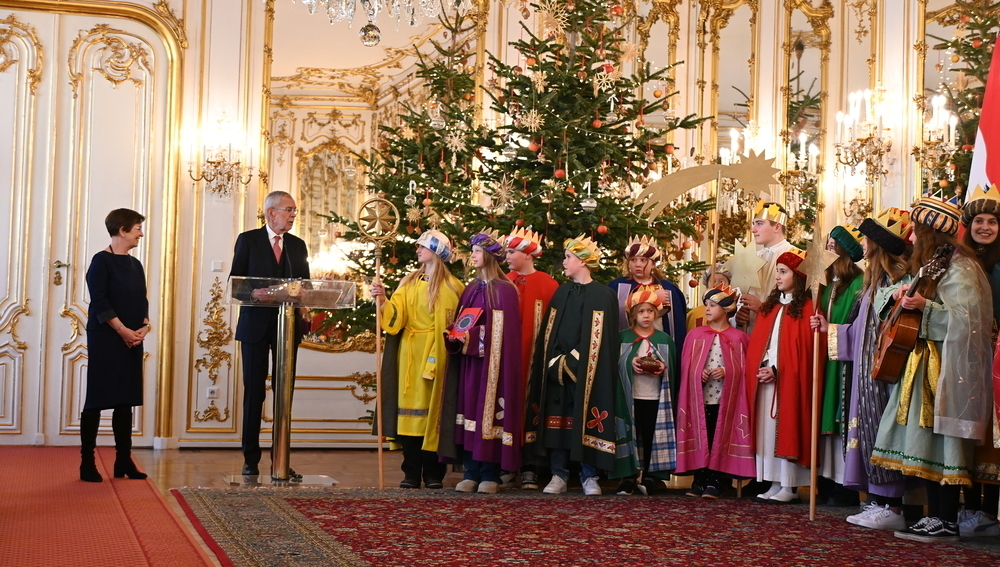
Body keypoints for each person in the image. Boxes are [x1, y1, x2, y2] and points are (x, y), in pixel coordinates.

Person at [869, 198, 993, 543]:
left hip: (946, 369)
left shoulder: (961, 267)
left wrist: (927, 307)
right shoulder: (933, 263)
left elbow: (969, 322)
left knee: (944, 442)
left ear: (933, 233)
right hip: (921, 364)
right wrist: (901, 297)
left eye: (919, 230)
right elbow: (902, 290)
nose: (912, 237)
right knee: (923, 441)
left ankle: (947, 518)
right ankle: (932, 516)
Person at [811, 207, 912, 530]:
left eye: (868, 238)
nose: (863, 244)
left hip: (886, 369)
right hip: (866, 370)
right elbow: (859, 328)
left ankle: (892, 505)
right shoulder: (873, 279)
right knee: (868, 430)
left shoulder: (899, 277)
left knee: (882, 431)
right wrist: (831, 330)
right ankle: (878, 500)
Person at [524, 235, 634, 496]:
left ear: (583, 262)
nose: (564, 262)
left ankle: (589, 475)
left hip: (589, 371)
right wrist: (556, 360)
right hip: (556, 369)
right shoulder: (561, 293)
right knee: (558, 420)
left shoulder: (603, 295)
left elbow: (602, 339)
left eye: (569, 258)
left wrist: (574, 359)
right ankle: (558, 474)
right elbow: (549, 333)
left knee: (586, 418)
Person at [371, 229, 464, 489]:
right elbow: (395, 320)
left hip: (435, 355)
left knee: (432, 417)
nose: (417, 250)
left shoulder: (451, 286)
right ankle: (410, 473)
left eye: (422, 246)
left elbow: (449, 328)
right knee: (408, 419)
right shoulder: (409, 281)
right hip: (409, 356)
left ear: (436, 251)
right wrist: (382, 300)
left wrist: (435, 359)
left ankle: (434, 474)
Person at [230, 191, 311, 477]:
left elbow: (307, 285)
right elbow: (235, 285)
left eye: (294, 211)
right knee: (254, 392)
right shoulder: (248, 240)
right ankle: (250, 459)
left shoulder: (297, 245)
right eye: (288, 210)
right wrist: (254, 292)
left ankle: (281, 458)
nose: (292, 215)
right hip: (255, 326)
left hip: (287, 328)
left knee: (284, 393)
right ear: (270, 212)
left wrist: (302, 292)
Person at [439, 229, 523, 494]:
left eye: (476, 252)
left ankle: (490, 474)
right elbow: (466, 320)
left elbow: (504, 333)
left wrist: (472, 337)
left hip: (495, 367)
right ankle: (471, 471)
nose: (472, 256)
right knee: (471, 415)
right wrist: (455, 334)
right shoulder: (472, 288)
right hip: (471, 365)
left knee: (489, 417)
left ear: (488, 256)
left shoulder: (505, 290)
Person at [80, 208, 152, 482]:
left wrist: (144, 326)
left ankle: (124, 461)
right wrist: (122, 330)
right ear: (122, 230)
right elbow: (100, 301)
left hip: (132, 339)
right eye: (137, 229)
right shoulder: (101, 261)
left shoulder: (136, 265)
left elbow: (141, 299)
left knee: (125, 402)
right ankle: (87, 463)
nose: (140, 234)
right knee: (97, 400)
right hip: (107, 338)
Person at [746, 247, 814, 504]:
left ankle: (790, 484)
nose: (778, 276)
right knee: (767, 431)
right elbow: (761, 342)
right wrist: (762, 366)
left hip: (788, 380)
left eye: (783, 272)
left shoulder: (806, 307)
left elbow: (803, 349)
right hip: (765, 379)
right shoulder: (772, 306)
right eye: (777, 271)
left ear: (797, 275)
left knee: (786, 427)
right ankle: (774, 480)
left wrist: (778, 369)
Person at [675, 284, 754, 498]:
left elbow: (745, 369)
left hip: (725, 400)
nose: (707, 309)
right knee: (703, 436)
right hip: (701, 399)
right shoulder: (695, 335)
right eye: (706, 305)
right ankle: (699, 479)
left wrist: (728, 370)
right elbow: (686, 366)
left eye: (712, 305)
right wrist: (696, 374)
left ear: (727, 309)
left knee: (720, 436)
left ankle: (716, 480)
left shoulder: (739, 338)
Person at [959, 184, 1000, 538]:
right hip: (965, 357)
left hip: (997, 357)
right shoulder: (962, 262)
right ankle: (968, 506)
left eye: (992, 221)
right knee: (969, 428)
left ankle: (989, 509)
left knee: (993, 435)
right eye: (979, 221)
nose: (985, 227)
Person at [504, 226, 559, 489]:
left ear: (527, 254)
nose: (507, 256)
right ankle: (506, 463)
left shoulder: (548, 284)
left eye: (512, 251)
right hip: (508, 359)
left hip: (536, 359)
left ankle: (530, 467)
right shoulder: (505, 281)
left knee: (533, 410)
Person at [816, 225, 864, 506]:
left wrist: (830, 328)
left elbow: (855, 325)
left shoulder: (858, 283)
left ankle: (844, 486)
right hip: (823, 360)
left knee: (841, 420)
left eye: (833, 245)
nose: (828, 249)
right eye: (827, 244)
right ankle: (825, 481)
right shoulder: (826, 283)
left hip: (843, 362)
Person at [616, 290, 677, 496]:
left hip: (655, 398)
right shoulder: (623, 337)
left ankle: (652, 477)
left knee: (653, 436)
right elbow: (614, 365)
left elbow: (673, 368)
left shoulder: (664, 339)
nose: (646, 315)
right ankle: (628, 476)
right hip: (630, 398)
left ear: (656, 314)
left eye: (650, 311)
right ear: (633, 314)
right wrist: (628, 362)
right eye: (641, 311)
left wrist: (662, 367)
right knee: (631, 434)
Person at [609, 235, 687, 372]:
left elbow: (678, 325)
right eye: (633, 260)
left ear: (653, 263)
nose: (638, 264)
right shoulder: (617, 286)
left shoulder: (669, 289)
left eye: (643, 260)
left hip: (658, 346)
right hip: (628, 347)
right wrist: (653, 297)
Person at [736, 201, 794, 327]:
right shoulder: (752, 259)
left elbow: (796, 302)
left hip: (779, 330)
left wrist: (762, 308)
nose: (753, 230)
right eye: (753, 224)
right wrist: (739, 314)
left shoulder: (795, 256)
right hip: (753, 331)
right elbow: (743, 295)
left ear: (777, 227)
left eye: (759, 224)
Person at [686, 264, 733, 330]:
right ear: (706, 285)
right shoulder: (695, 313)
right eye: (713, 281)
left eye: (721, 281)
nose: (717, 284)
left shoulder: (733, 312)